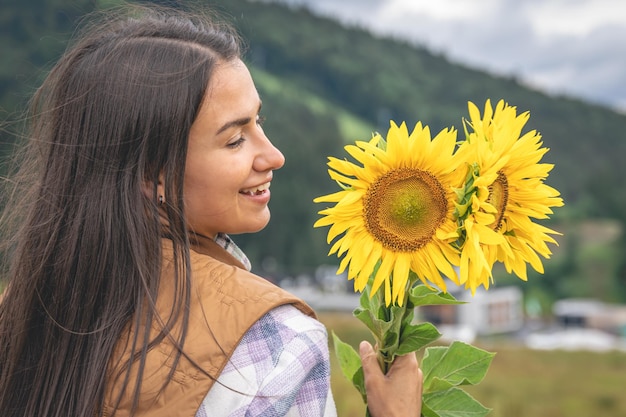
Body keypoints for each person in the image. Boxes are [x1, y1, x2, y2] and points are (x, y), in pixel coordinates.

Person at [0, 6, 422, 417]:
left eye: (259, 122)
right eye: (235, 139)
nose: (274, 155)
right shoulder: (277, 345)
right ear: (154, 174)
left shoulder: (21, 315)